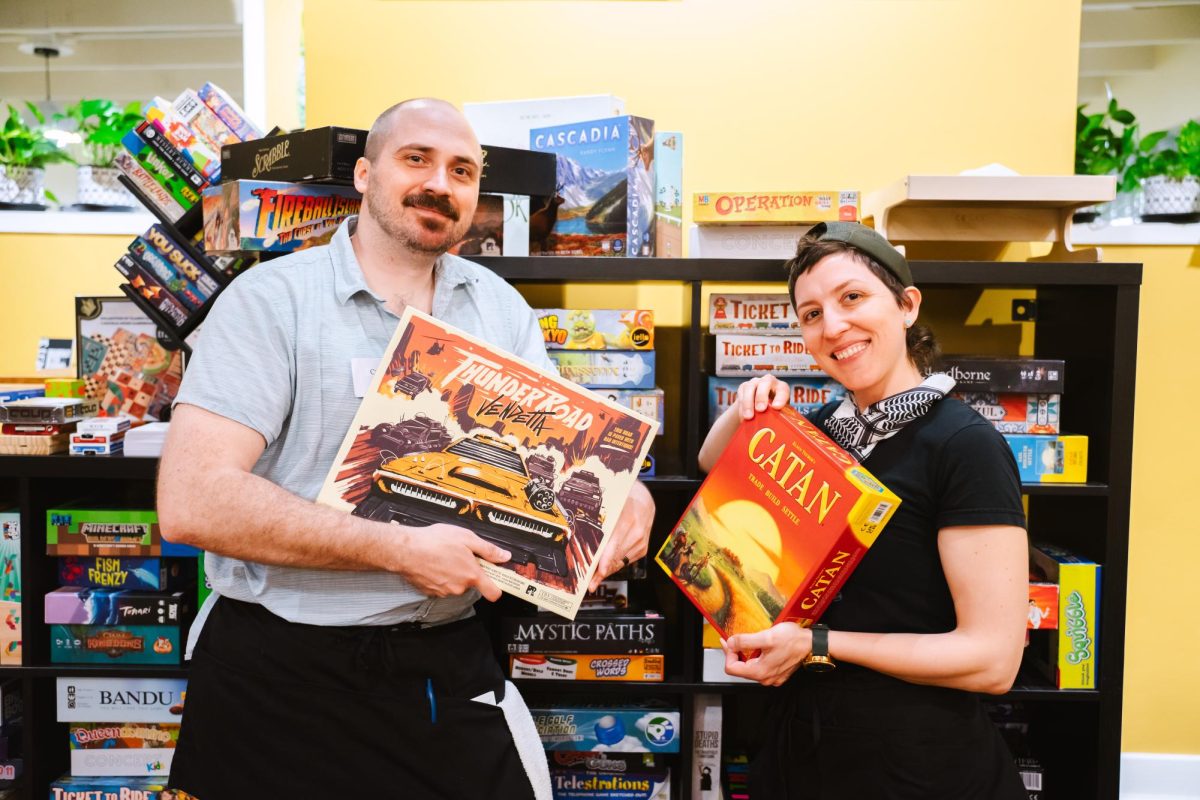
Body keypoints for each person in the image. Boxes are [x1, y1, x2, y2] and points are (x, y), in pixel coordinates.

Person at [157, 98, 656, 800]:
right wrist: (396, 548)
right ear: (364, 174)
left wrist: (624, 496)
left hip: (441, 666)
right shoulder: (269, 301)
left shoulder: (497, 308)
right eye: (415, 159)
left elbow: (567, 449)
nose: (439, 184)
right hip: (279, 675)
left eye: (462, 170)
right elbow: (192, 500)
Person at [698, 222, 1028, 799]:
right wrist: (751, 402)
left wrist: (819, 643)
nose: (833, 326)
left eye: (852, 297)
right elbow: (710, 460)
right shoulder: (824, 428)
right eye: (811, 314)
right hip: (802, 747)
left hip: (917, 763)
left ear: (906, 305)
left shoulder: (963, 445)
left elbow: (994, 660)